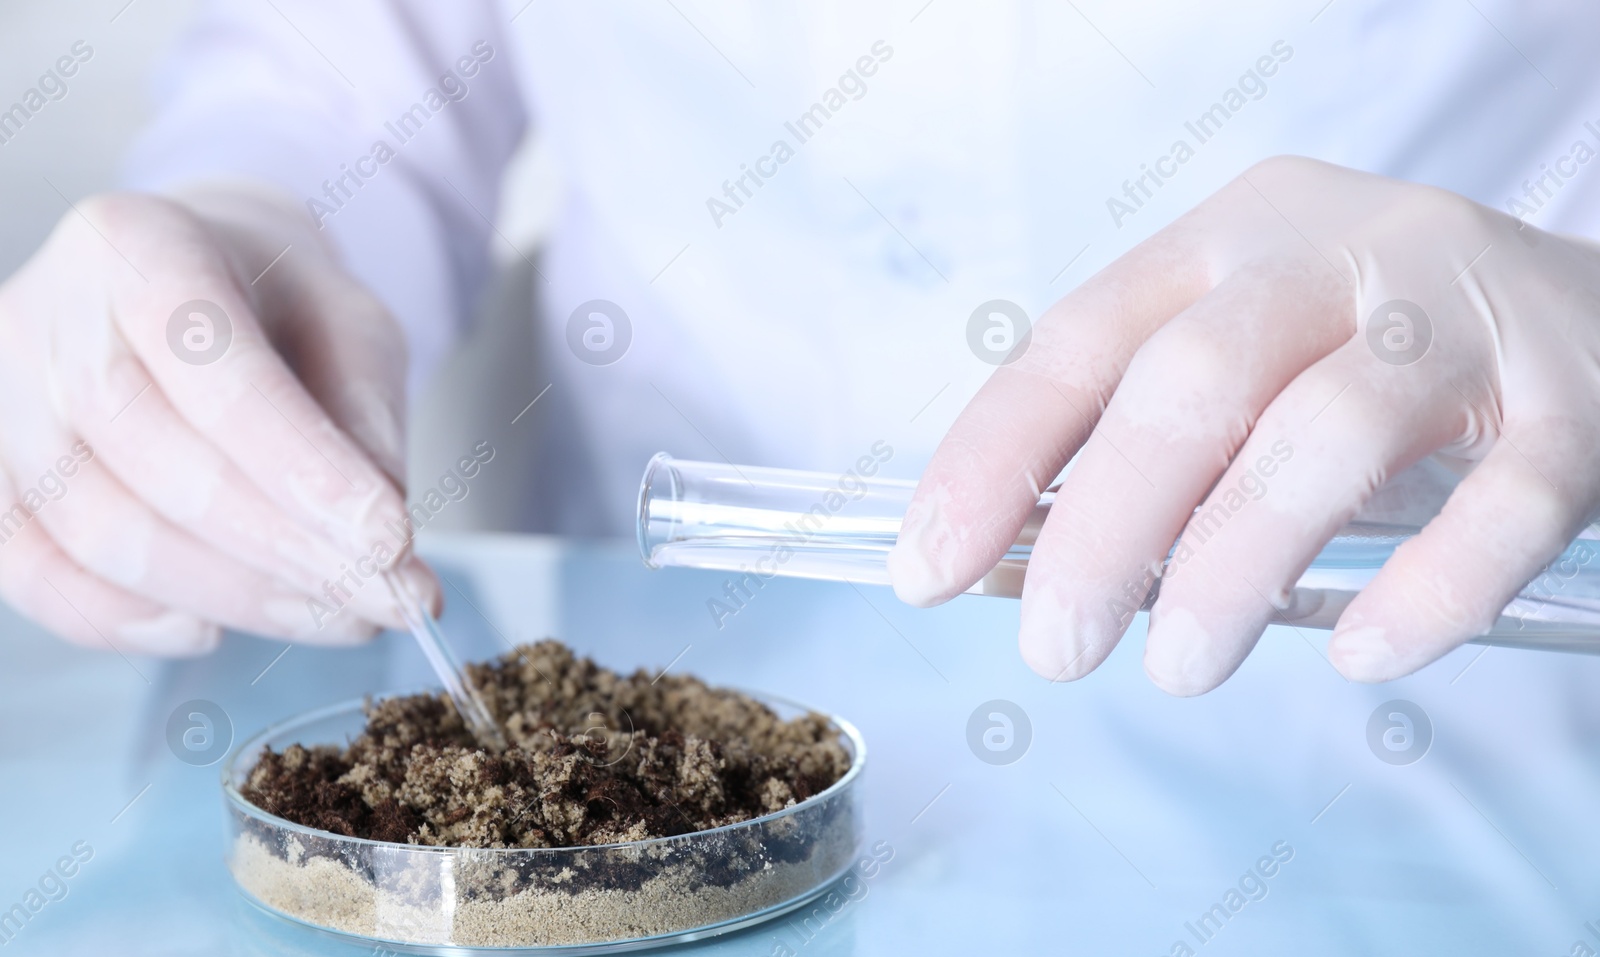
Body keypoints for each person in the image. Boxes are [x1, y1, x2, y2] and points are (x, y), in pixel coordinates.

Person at [2, 1, 1597, 694]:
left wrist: (1577, 300)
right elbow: (343, 65)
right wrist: (236, 237)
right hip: (676, 707)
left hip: (1440, 696)